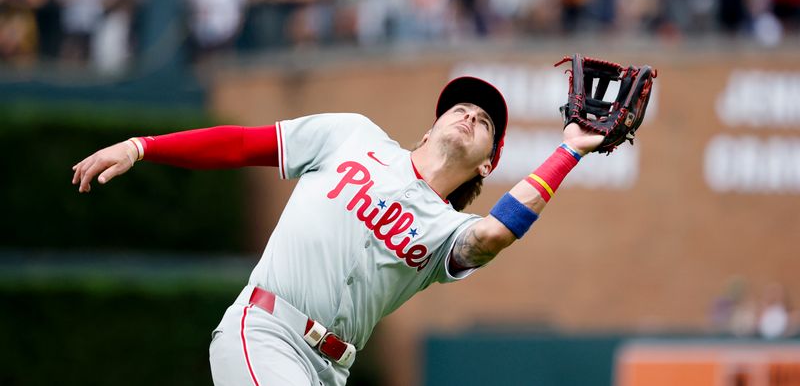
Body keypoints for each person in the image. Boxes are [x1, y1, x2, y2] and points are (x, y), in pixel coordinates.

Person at [72, 76, 605, 386]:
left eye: (484, 122)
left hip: (330, 370)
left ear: (489, 164)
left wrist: (569, 150)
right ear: (430, 127)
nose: (468, 116)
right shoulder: (352, 135)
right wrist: (142, 146)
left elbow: (493, 235)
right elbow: (242, 144)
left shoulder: (448, 231)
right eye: (458, 109)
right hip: (265, 333)